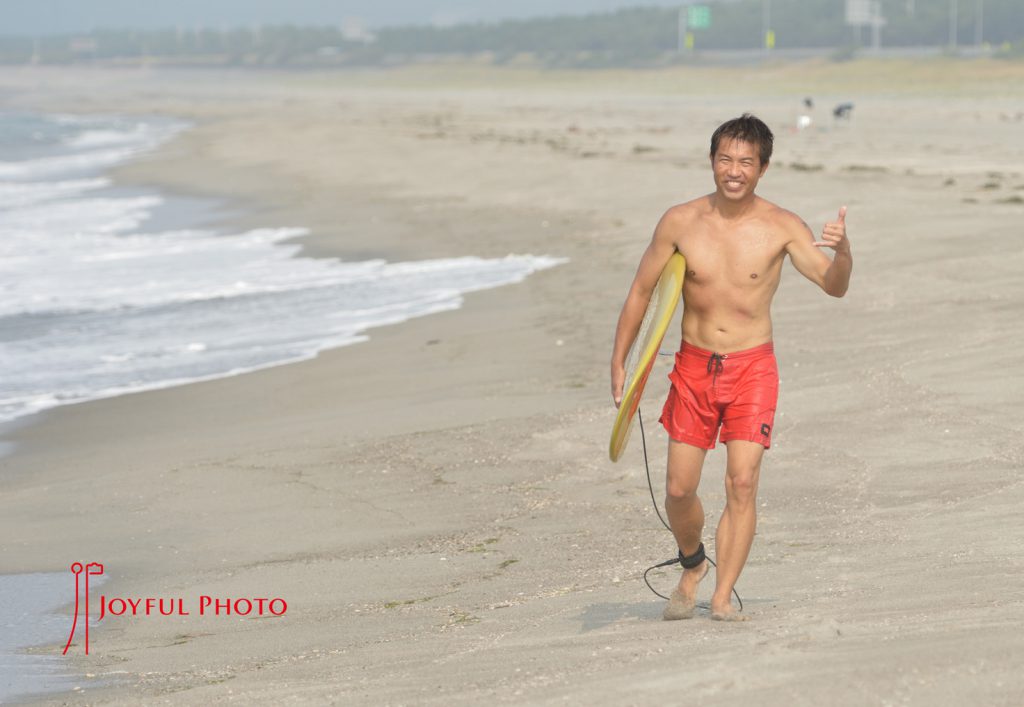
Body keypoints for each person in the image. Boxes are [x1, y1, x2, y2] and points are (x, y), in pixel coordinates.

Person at [610, 114, 852, 621]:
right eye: (725, 159)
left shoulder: (783, 227)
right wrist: (621, 363)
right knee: (679, 490)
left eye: (745, 162)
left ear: (762, 168)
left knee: (741, 482)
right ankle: (693, 562)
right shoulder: (680, 222)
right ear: (712, 161)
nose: (733, 170)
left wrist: (844, 252)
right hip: (693, 368)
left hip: (752, 368)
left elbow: (833, 285)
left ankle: (722, 596)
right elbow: (641, 292)